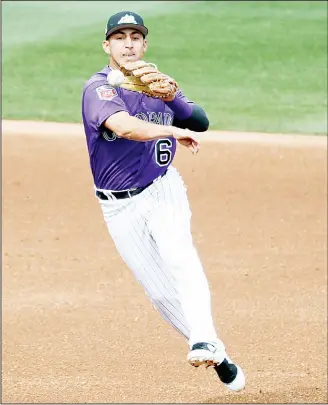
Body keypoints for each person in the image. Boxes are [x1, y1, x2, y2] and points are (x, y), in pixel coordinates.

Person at [81, 11, 245, 392]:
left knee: (179, 255)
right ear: (107, 45)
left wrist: (175, 100)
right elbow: (124, 127)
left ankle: (202, 337)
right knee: (158, 290)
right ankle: (215, 351)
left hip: (162, 187)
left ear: (144, 44)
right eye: (119, 37)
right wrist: (173, 127)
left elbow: (201, 121)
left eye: (135, 37)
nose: (128, 44)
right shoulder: (99, 89)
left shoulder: (159, 84)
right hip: (118, 206)